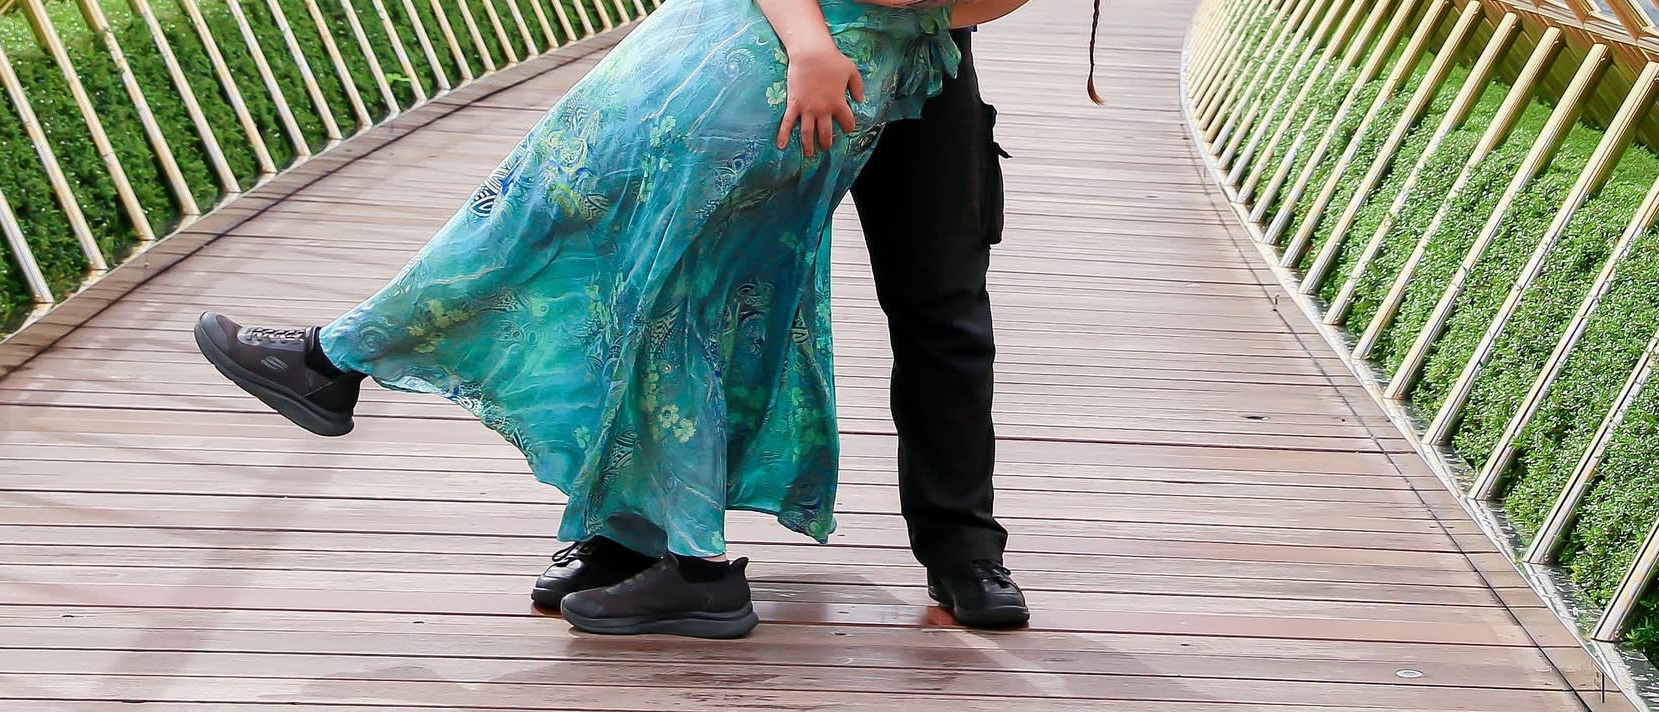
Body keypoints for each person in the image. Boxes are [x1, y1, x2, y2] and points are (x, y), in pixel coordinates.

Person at [192, 0, 1034, 640]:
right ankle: (637, 537)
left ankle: (963, 551)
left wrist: (901, 14)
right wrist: (812, 34)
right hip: (773, 43)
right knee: (655, 280)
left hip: (903, 60)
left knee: (935, 306)